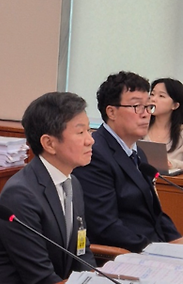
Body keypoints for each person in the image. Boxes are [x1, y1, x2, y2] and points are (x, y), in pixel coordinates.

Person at [0, 92, 96, 284]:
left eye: (89, 130)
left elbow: (81, 252)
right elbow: (39, 277)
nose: (90, 140)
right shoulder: (20, 195)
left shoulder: (73, 183)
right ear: (49, 143)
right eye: (80, 133)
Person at [72, 71, 181, 252]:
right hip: (129, 255)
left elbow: (156, 215)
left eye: (149, 107)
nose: (146, 114)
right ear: (111, 112)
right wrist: (157, 250)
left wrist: (176, 241)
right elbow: (105, 227)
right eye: (137, 106)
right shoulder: (95, 154)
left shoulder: (139, 154)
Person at [145, 78, 183, 169]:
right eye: (152, 94)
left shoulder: (181, 132)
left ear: (175, 105)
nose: (153, 99)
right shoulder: (141, 127)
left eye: (161, 96)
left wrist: (172, 164)